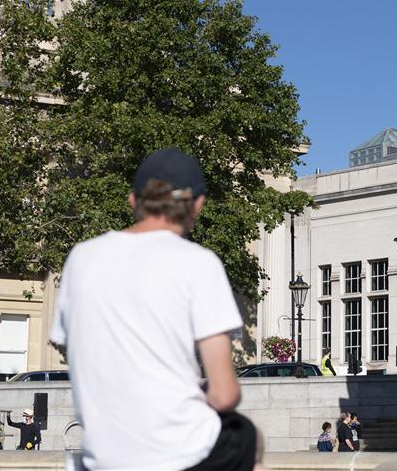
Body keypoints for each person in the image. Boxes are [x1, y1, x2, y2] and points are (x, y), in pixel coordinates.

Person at [51, 147, 263, 471]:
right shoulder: (199, 264)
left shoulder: (80, 258)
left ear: (133, 201)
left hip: (103, 458)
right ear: (198, 205)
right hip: (180, 454)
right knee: (249, 436)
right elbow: (224, 395)